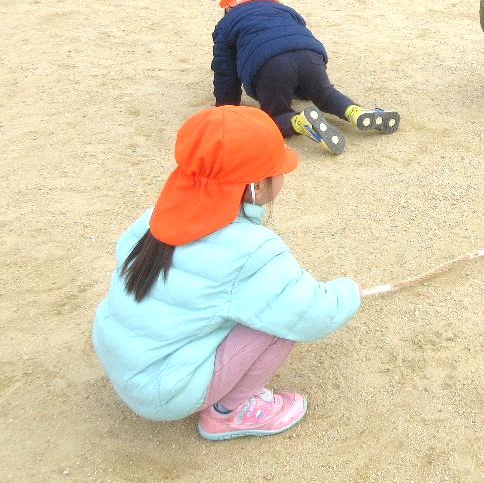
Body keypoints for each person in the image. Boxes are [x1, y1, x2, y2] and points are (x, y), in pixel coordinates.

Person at [91, 106, 365, 441]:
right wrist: (349, 291)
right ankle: (230, 411)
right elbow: (310, 312)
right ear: (255, 188)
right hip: (162, 391)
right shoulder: (250, 249)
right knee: (280, 322)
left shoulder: (152, 219)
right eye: (277, 170)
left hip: (121, 356)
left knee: (247, 302)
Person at [212, 0, 400, 155]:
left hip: (270, 64)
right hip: (310, 54)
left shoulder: (227, 24)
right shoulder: (285, 10)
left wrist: (226, 105)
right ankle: (356, 112)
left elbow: (225, 72)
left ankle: (301, 122)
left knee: (275, 116)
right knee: (325, 94)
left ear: (229, 6)